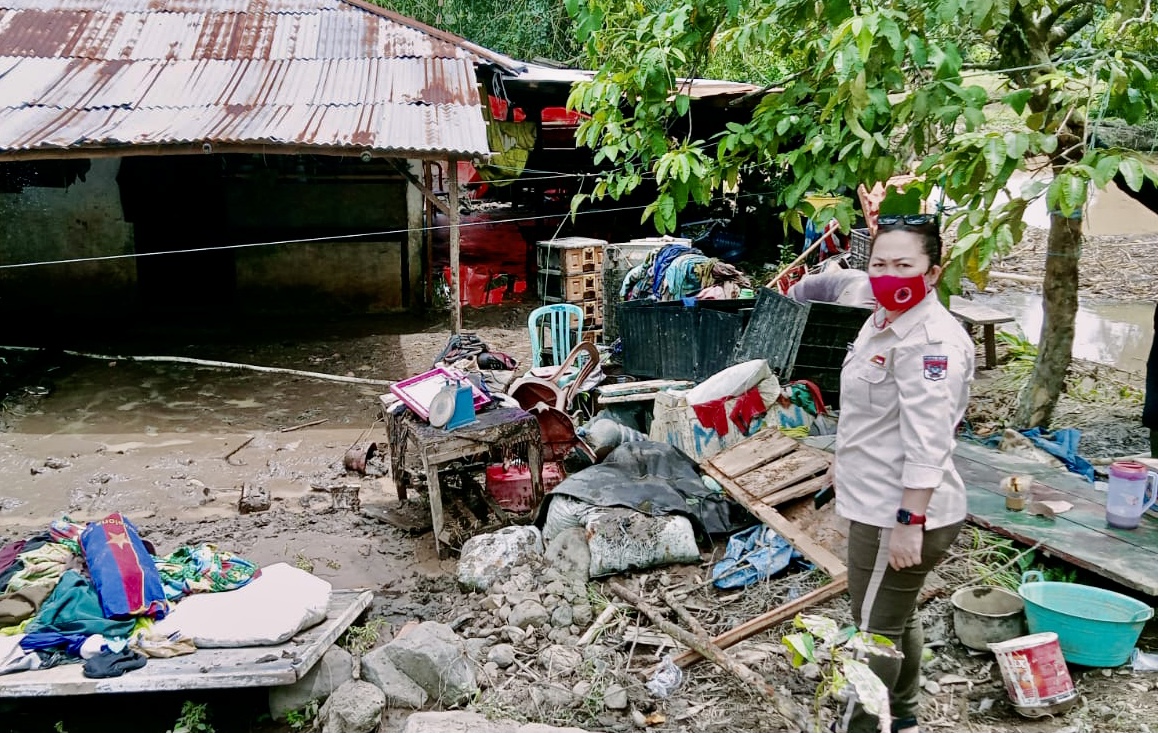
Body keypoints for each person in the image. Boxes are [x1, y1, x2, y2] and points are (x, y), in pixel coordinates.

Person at [831, 215, 975, 733]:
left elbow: (927, 440)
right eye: (879, 264)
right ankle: (906, 714)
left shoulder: (930, 343)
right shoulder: (885, 319)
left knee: (874, 632)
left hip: (902, 511)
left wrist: (908, 520)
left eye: (904, 265)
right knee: (896, 617)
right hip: (875, 500)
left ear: (932, 272)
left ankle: (859, 727)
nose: (888, 275)